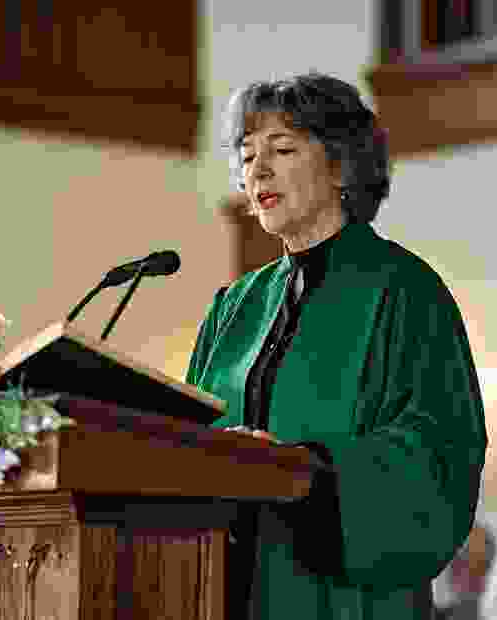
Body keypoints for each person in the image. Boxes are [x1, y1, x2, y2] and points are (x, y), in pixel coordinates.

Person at [185, 71, 487, 620]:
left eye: (282, 149)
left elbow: (438, 450)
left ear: (341, 165)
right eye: (247, 156)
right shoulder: (234, 307)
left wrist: (308, 470)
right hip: (226, 588)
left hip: (344, 597)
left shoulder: (405, 290)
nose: (258, 170)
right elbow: (187, 435)